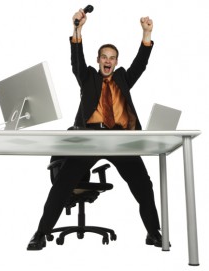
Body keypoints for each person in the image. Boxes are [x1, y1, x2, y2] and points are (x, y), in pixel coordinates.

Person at [27, 8, 164, 250]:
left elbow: (140, 65)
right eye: (104, 57)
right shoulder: (88, 78)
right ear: (98, 60)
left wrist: (146, 34)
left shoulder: (123, 78)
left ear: (116, 62)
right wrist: (77, 29)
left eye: (112, 57)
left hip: (121, 139)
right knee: (62, 184)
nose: (108, 61)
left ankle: (154, 233)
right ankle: (40, 234)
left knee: (144, 185)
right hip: (90, 137)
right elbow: (76, 61)